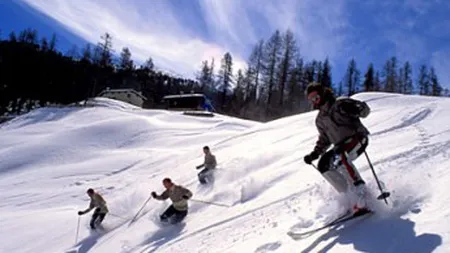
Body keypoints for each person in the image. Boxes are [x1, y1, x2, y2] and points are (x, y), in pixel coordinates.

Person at [303, 82, 372, 214]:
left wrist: (356, 109)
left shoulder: (340, 104)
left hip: (357, 138)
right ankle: (349, 197)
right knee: (324, 165)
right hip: (340, 146)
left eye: (316, 97)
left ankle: (362, 194)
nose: (314, 101)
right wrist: (314, 154)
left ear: (322, 93)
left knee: (340, 157)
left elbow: (365, 111)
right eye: (311, 99)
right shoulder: (320, 120)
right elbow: (324, 140)